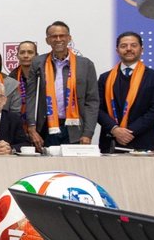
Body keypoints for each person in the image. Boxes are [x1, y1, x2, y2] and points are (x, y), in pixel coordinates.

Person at [24, 21, 99, 150]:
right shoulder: (38, 63)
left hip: (76, 129)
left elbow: (92, 101)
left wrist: (88, 132)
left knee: (73, 168)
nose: (58, 39)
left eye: (62, 36)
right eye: (54, 36)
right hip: (46, 128)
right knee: (48, 168)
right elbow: (30, 97)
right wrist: (31, 128)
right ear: (47, 40)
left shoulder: (85, 65)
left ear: (69, 38)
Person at [97, 32, 154, 153]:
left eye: (133, 45)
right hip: (110, 142)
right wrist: (115, 129)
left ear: (141, 49)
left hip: (142, 142)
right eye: (123, 46)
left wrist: (129, 132)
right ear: (117, 50)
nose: (129, 49)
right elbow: (96, 108)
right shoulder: (105, 78)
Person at [13, 40, 38, 118]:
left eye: (30, 52)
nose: (26, 56)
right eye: (22, 52)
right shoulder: (11, 78)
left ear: (36, 56)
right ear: (17, 56)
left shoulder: (44, 76)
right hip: (18, 122)